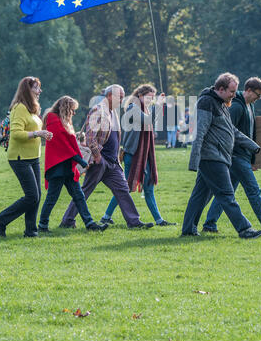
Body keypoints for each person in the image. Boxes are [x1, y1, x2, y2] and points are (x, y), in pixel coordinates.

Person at [181, 72, 261, 239]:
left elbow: (232, 131)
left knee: (199, 196)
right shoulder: (207, 102)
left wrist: (253, 146)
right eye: (232, 91)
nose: (234, 95)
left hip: (218, 157)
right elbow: (200, 132)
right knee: (227, 195)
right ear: (220, 89)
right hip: (212, 158)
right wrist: (194, 161)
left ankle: (188, 229)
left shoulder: (222, 104)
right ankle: (244, 229)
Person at [59, 85, 154, 229]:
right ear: (109, 96)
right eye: (119, 96)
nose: (122, 99)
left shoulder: (112, 111)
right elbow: (91, 137)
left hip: (112, 162)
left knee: (122, 189)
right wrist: (97, 156)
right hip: (101, 160)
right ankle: (67, 221)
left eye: (123, 96)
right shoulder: (98, 110)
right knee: (85, 191)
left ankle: (134, 222)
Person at [203, 78, 261, 236]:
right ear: (248, 90)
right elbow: (227, 132)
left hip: (244, 156)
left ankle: (210, 223)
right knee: (254, 190)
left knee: (227, 193)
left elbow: (252, 133)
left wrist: (253, 160)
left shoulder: (250, 105)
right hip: (236, 156)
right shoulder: (236, 106)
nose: (258, 98)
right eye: (258, 94)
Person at [100, 84, 176, 226]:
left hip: (145, 154)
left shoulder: (145, 109)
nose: (150, 100)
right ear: (140, 96)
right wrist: (158, 105)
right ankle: (105, 216)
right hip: (133, 154)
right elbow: (147, 120)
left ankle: (159, 220)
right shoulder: (132, 108)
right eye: (148, 97)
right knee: (125, 188)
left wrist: (157, 106)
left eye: (152, 98)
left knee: (148, 187)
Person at [0, 76, 53, 238]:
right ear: (28, 90)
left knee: (36, 196)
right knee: (32, 196)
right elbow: (17, 134)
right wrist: (38, 133)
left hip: (33, 157)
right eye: (36, 88)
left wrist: (43, 131)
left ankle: (31, 231)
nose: (40, 91)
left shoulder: (31, 109)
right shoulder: (19, 108)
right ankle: (0, 220)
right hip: (19, 158)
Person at [38, 96, 107, 233]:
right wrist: (81, 160)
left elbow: (69, 143)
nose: (74, 113)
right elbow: (62, 145)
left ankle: (90, 223)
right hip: (58, 166)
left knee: (79, 196)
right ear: (65, 108)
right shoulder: (53, 118)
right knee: (52, 198)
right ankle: (42, 225)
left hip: (67, 166)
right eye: (72, 110)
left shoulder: (64, 121)